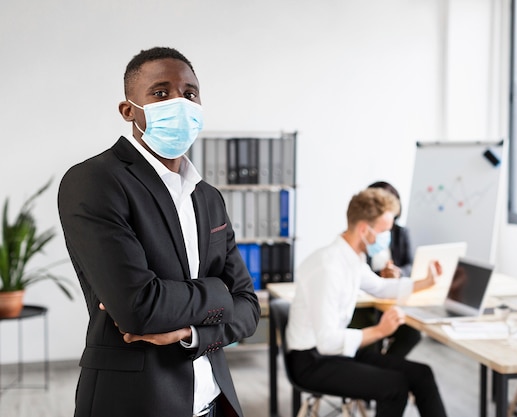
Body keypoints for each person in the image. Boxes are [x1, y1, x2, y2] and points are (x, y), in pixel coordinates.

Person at [58, 47, 260, 417]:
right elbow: (140, 308)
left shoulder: (209, 197)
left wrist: (191, 333)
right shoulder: (95, 181)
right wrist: (219, 293)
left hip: (215, 400)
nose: (180, 102)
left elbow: (249, 307)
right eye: (161, 93)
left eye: (190, 93)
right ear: (129, 110)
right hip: (136, 401)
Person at [286, 187, 448, 417]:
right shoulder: (328, 268)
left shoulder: (352, 258)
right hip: (312, 361)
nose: (388, 238)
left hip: (335, 351)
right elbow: (327, 342)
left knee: (422, 374)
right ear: (364, 229)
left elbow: (380, 287)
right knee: (395, 387)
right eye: (385, 231)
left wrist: (426, 281)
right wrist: (380, 331)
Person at [350, 181, 421, 357]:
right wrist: (380, 276)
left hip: (390, 297)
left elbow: (410, 265)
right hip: (367, 302)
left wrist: (397, 273)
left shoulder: (401, 233)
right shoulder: (357, 243)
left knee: (412, 334)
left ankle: (387, 364)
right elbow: (369, 281)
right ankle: (377, 366)